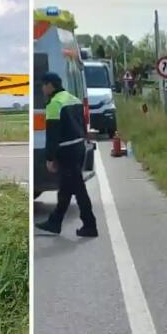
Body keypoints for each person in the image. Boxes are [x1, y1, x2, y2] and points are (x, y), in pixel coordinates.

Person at [36, 72, 98, 238]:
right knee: (65, 189)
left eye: (43, 85)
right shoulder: (74, 99)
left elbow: (53, 135)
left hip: (66, 152)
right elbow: (83, 125)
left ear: (50, 85)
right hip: (78, 147)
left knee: (79, 190)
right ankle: (55, 222)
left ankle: (90, 224)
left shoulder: (54, 104)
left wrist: (50, 158)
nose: (42, 88)